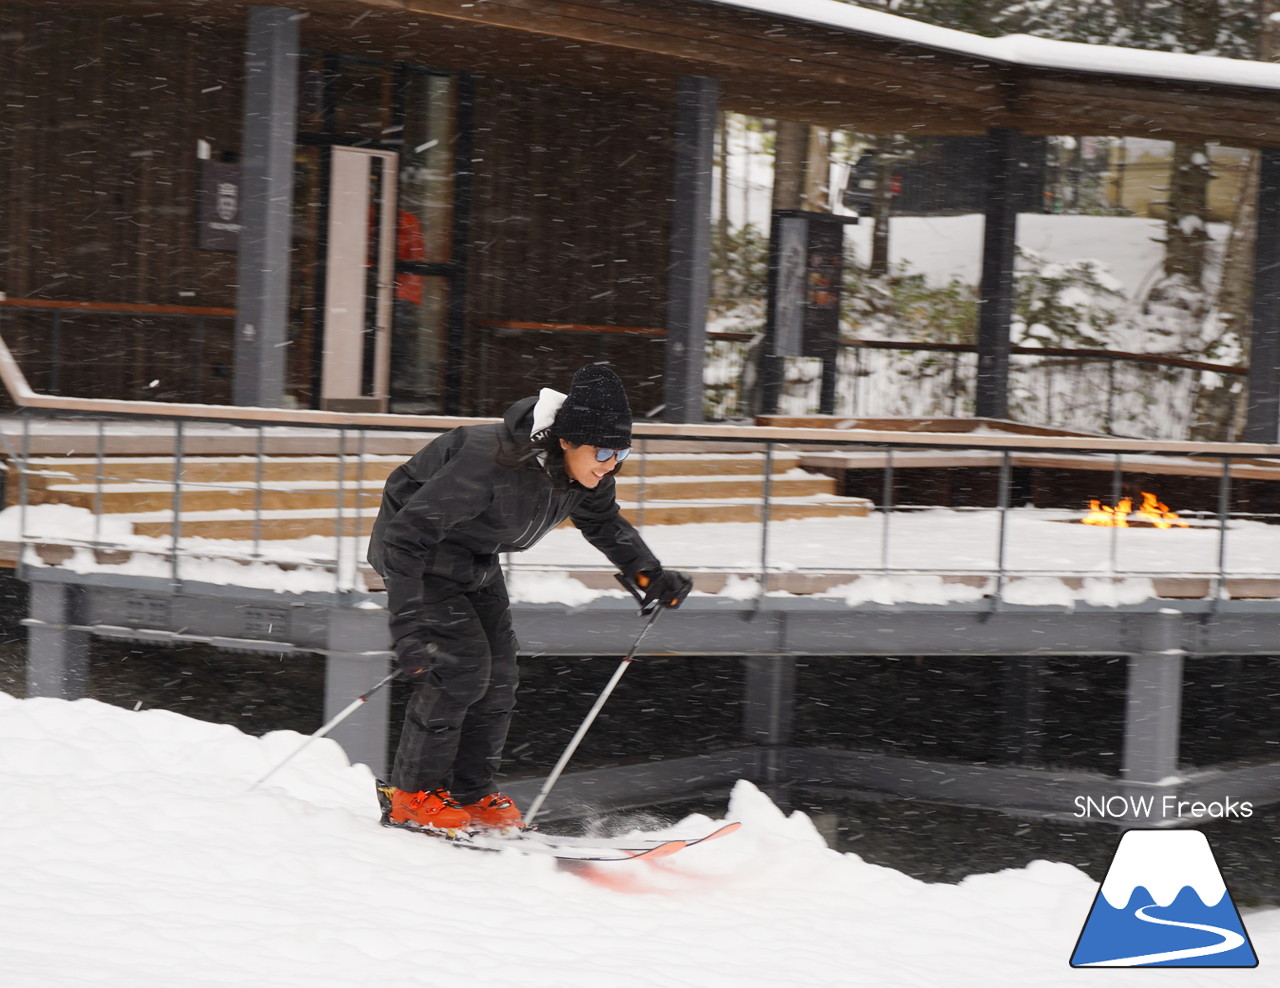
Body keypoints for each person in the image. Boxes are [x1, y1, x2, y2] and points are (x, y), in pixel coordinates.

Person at [367, 364, 692, 833]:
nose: (611, 463)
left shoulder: (586, 475)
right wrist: (407, 625)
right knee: (460, 669)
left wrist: (648, 574)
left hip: (475, 557)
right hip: (420, 557)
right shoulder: (490, 462)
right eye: (603, 451)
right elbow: (405, 540)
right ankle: (412, 795)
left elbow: (603, 523)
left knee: (500, 676)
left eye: (621, 452)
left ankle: (470, 793)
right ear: (566, 440)